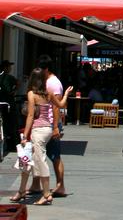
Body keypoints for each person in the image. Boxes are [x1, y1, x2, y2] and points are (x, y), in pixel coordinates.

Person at [10, 68, 72, 205]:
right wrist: (66, 94)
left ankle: (45, 194)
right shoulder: (48, 93)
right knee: (26, 160)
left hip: (37, 131)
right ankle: (21, 190)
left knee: (39, 160)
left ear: (32, 79)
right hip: (48, 129)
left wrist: (24, 135)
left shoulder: (31, 94)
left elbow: (31, 116)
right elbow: (61, 105)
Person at [28, 55, 68, 197]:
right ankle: (35, 184)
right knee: (39, 154)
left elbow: (56, 107)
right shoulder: (46, 81)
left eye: (40, 69)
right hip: (46, 124)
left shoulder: (53, 83)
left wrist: (56, 127)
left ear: (46, 69)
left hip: (50, 124)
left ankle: (60, 186)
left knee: (54, 156)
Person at [0, 60, 17, 151]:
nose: (10, 68)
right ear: (5, 68)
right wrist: (13, 91)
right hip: (8, 104)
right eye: (9, 67)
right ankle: (11, 145)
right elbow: (17, 83)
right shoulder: (9, 78)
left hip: (4, 103)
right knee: (10, 124)